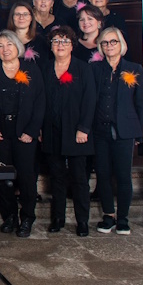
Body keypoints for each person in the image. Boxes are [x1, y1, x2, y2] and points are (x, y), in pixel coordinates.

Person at [0, 30, 45, 238]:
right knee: (4, 177)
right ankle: (9, 217)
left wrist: (32, 131)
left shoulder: (32, 70)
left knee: (26, 177)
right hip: (0, 132)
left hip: (24, 132)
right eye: (0, 45)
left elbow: (39, 103)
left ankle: (27, 218)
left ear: (18, 47)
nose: (5, 49)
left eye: (9, 44)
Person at [90, 27, 143, 235]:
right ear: (100, 47)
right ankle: (108, 216)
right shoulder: (95, 69)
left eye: (113, 42)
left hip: (125, 131)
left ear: (121, 44)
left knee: (123, 175)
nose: (109, 46)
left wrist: (139, 134)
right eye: (105, 43)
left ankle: (123, 218)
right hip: (100, 131)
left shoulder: (134, 68)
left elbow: (141, 104)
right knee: (103, 175)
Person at [41, 26, 95, 236]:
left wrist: (84, 128)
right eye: (56, 41)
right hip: (51, 131)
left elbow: (90, 101)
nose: (60, 45)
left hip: (76, 133)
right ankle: (58, 218)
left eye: (64, 41)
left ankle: (82, 221)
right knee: (56, 178)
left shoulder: (83, 69)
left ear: (72, 45)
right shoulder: (45, 68)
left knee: (79, 179)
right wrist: (40, 128)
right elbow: (40, 100)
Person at [6, 2, 51, 67]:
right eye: (17, 14)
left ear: (31, 18)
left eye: (25, 14)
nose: (21, 17)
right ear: (12, 18)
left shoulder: (40, 41)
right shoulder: (5, 40)